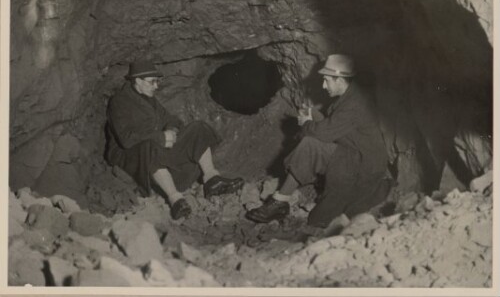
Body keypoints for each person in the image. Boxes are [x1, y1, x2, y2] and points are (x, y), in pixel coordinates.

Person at [246, 54, 391, 227]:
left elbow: (325, 134)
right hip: (351, 155)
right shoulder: (351, 97)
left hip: (362, 167)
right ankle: (280, 201)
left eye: (327, 80)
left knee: (318, 220)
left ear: (339, 80)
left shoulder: (354, 104)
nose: (323, 86)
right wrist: (313, 115)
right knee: (310, 144)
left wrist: (307, 123)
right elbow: (337, 128)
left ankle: (379, 189)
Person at [106, 60, 244, 220]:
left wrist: (171, 130)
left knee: (198, 128)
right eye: (152, 82)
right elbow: (126, 139)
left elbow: (172, 120)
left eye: (157, 81)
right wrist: (160, 137)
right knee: (150, 145)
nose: (156, 86)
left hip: (156, 149)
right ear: (137, 81)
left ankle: (212, 179)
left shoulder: (149, 99)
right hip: (131, 156)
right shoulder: (119, 102)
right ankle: (175, 199)